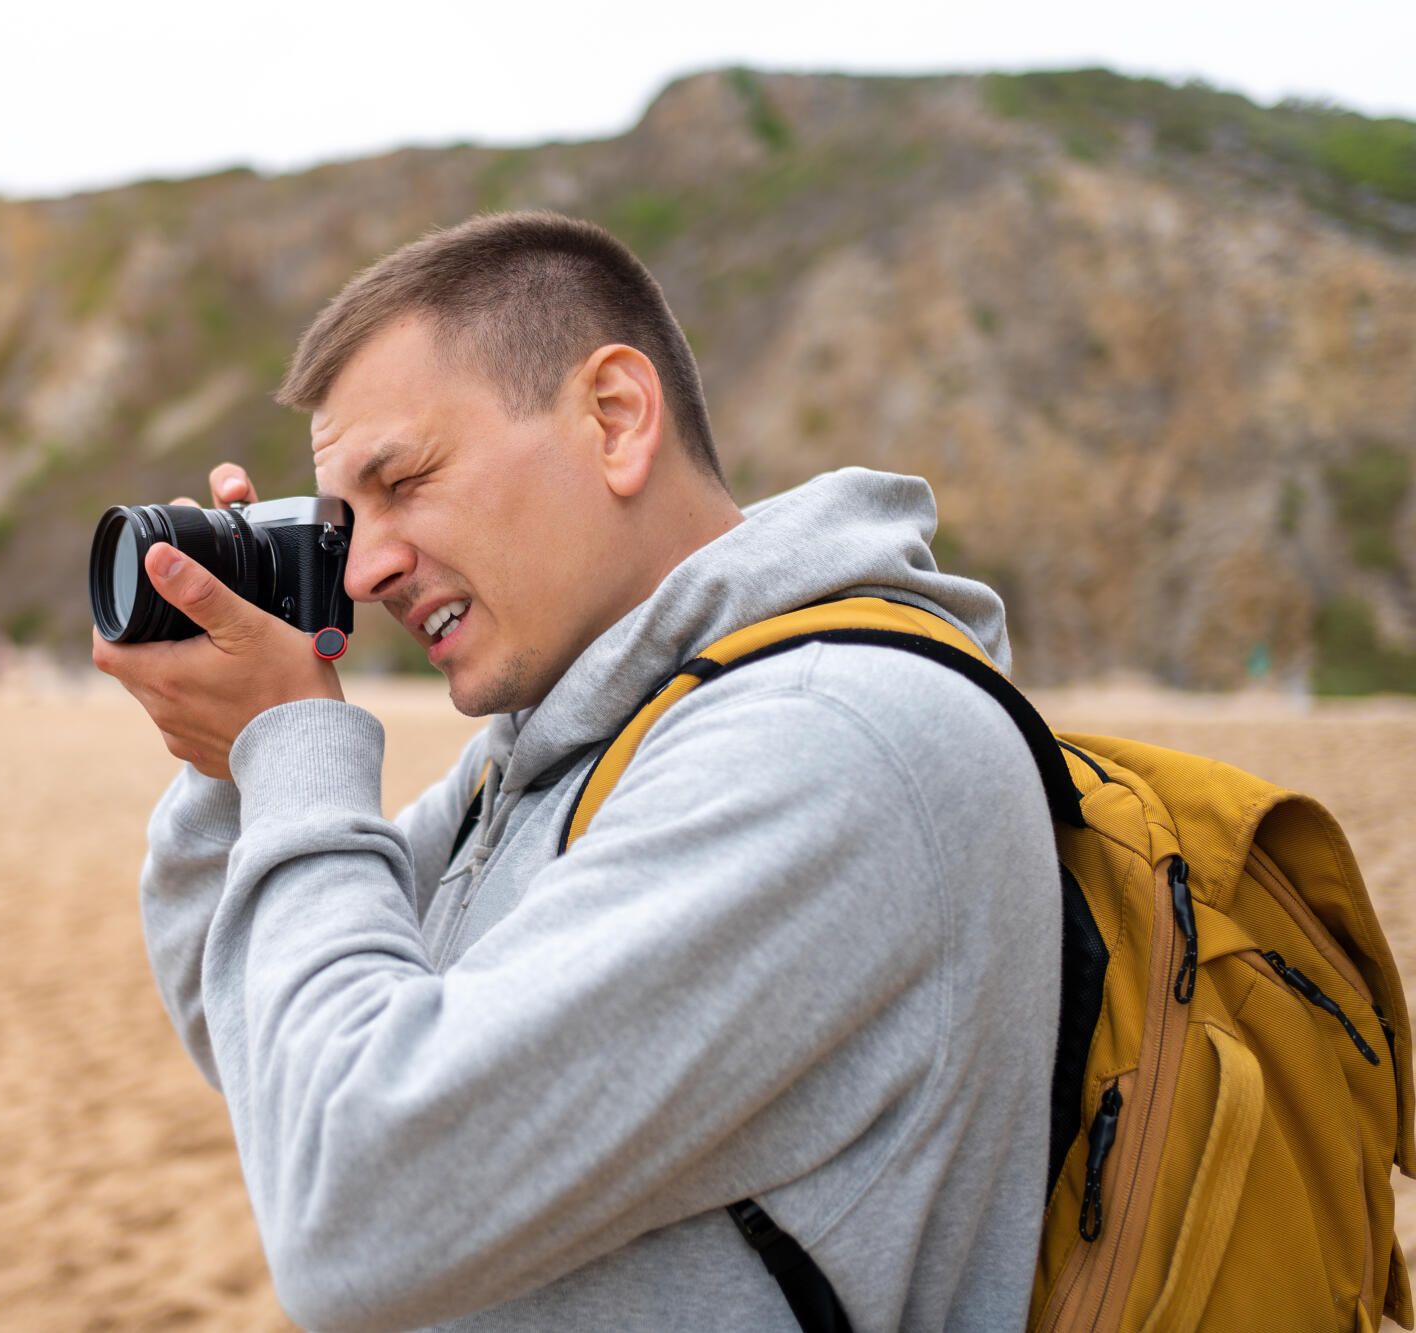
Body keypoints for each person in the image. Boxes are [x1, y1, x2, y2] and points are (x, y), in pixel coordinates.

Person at [92, 212, 1060, 1332]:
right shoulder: (565, 746)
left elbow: (352, 1205)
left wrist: (292, 741)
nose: (361, 570)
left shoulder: (830, 744)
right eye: (342, 522)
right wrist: (235, 761)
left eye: (402, 479)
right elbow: (262, 1034)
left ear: (613, 418)